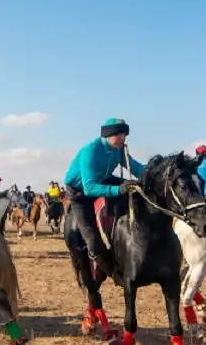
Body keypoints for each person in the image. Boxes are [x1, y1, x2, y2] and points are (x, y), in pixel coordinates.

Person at [63, 118, 147, 277]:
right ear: (108, 134)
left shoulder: (119, 150)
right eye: (119, 134)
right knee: (93, 241)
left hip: (103, 179)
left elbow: (137, 168)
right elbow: (90, 187)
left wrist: (154, 173)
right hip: (80, 192)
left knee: (135, 188)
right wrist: (118, 190)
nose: (123, 138)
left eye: (124, 135)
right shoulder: (90, 151)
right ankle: (114, 273)